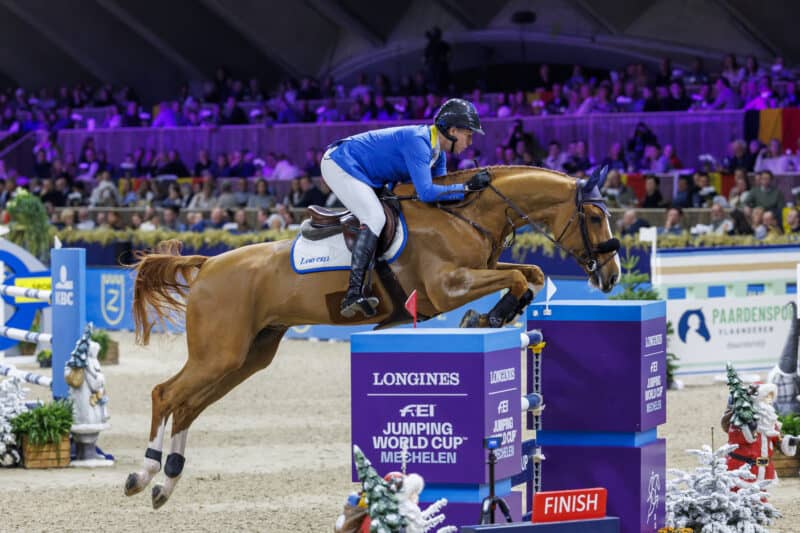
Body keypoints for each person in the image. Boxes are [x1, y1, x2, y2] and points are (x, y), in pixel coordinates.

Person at [321, 98, 487, 319]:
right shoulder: (419, 142)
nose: (470, 142)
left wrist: (469, 193)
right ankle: (353, 293)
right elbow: (427, 192)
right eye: (469, 134)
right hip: (341, 163)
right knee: (375, 217)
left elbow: (440, 195)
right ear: (453, 131)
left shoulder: (438, 154)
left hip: (366, 172)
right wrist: (466, 188)